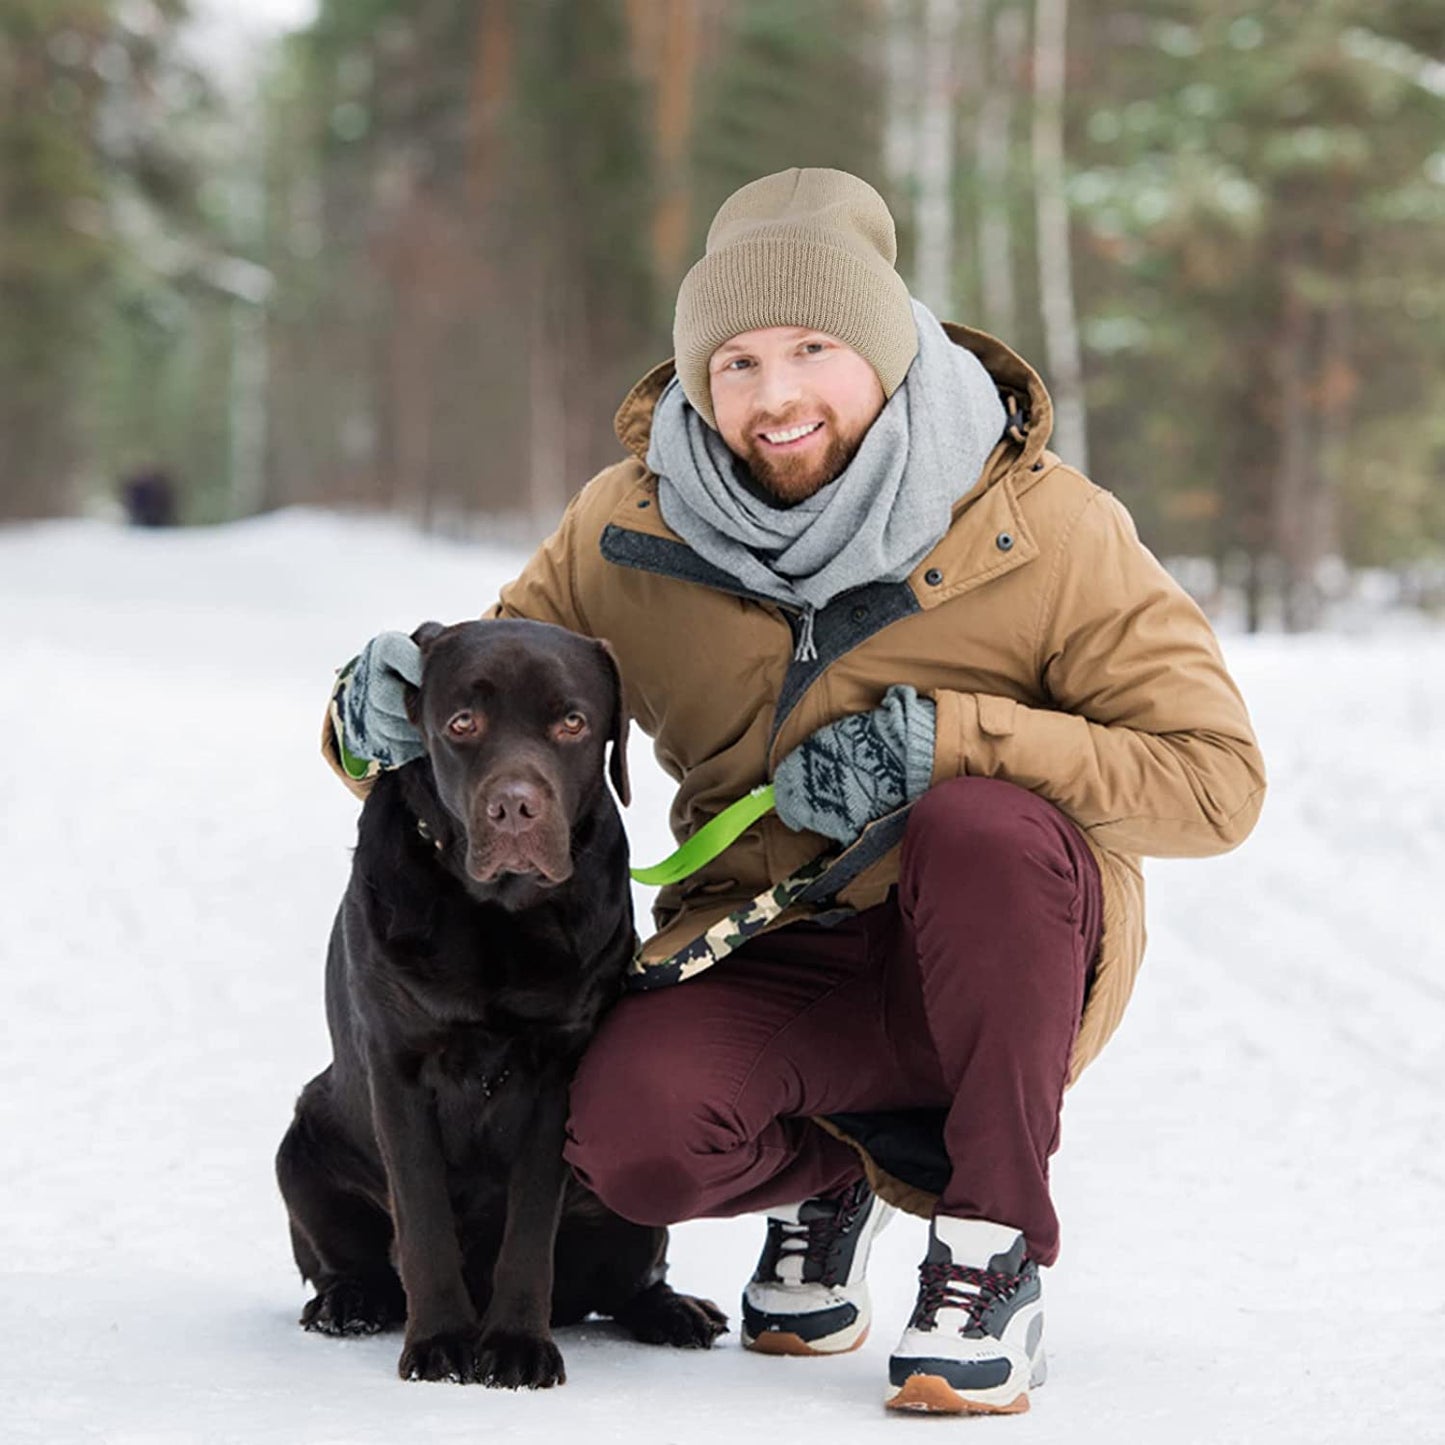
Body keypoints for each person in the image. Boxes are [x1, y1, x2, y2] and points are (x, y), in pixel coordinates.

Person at [324, 168, 1266, 1415]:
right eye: (736, 363)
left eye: (812, 348)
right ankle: (837, 1175)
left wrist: (953, 741)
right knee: (629, 1140)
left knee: (979, 824)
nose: (773, 397)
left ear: (885, 344)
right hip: (770, 941)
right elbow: (489, 702)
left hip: (997, 951)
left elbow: (1217, 784)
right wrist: (360, 714)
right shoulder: (628, 525)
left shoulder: (1044, 525)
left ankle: (988, 1251)